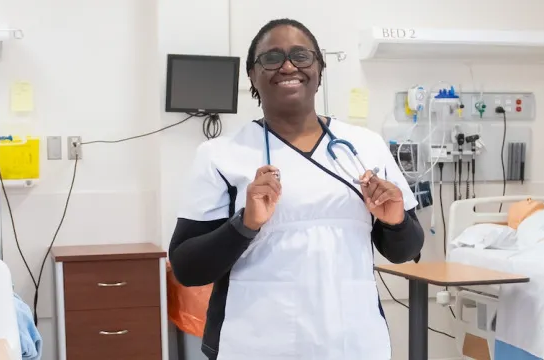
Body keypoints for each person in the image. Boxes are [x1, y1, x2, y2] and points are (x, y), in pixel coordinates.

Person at [168, 18, 425, 360]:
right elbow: (187, 267)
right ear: (252, 75)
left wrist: (395, 221)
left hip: (352, 342)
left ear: (319, 69)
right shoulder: (220, 155)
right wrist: (245, 224)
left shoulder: (366, 146)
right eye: (271, 58)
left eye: (301, 56)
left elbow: (405, 250)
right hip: (254, 344)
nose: (288, 66)